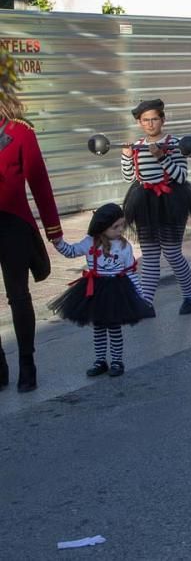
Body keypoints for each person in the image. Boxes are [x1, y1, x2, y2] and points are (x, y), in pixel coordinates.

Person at [0, 68, 63, 392]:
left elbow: (39, 182)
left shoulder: (20, 132)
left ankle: (27, 363)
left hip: (13, 224)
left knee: (18, 296)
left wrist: (55, 231)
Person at [121, 99, 191, 315]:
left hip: (172, 200)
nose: (150, 124)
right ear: (139, 123)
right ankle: (147, 302)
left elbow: (181, 177)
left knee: (172, 252)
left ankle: (189, 296)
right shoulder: (136, 146)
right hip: (144, 202)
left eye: (154, 119)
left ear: (163, 119)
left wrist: (162, 157)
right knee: (150, 254)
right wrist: (126, 157)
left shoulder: (177, 143)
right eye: (145, 120)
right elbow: (129, 178)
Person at [49, 204, 152, 378]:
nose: (120, 230)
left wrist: (140, 295)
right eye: (115, 227)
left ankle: (117, 361)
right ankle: (100, 361)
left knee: (114, 327)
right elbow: (71, 251)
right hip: (95, 289)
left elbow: (130, 272)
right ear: (102, 227)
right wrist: (59, 243)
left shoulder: (124, 246)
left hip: (116, 290)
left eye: (122, 225)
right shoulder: (90, 242)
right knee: (98, 327)